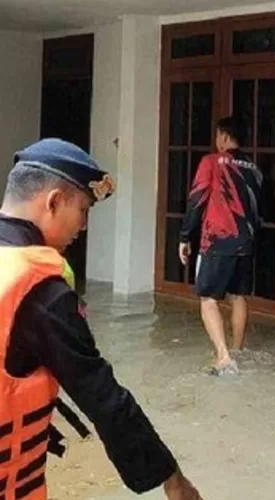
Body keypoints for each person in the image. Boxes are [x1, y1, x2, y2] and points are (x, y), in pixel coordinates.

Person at [0, 138, 202, 499]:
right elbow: (102, 396)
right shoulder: (40, 291)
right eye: (83, 210)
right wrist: (173, 479)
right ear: (54, 201)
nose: (84, 226)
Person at [179, 116, 263, 375]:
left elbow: (197, 198)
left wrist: (185, 235)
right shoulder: (253, 168)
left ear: (224, 137)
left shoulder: (211, 162)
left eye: (218, 136)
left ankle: (223, 357)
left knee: (208, 298)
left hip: (217, 239)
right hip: (245, 241)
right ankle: (237, 350)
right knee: (238, 296)